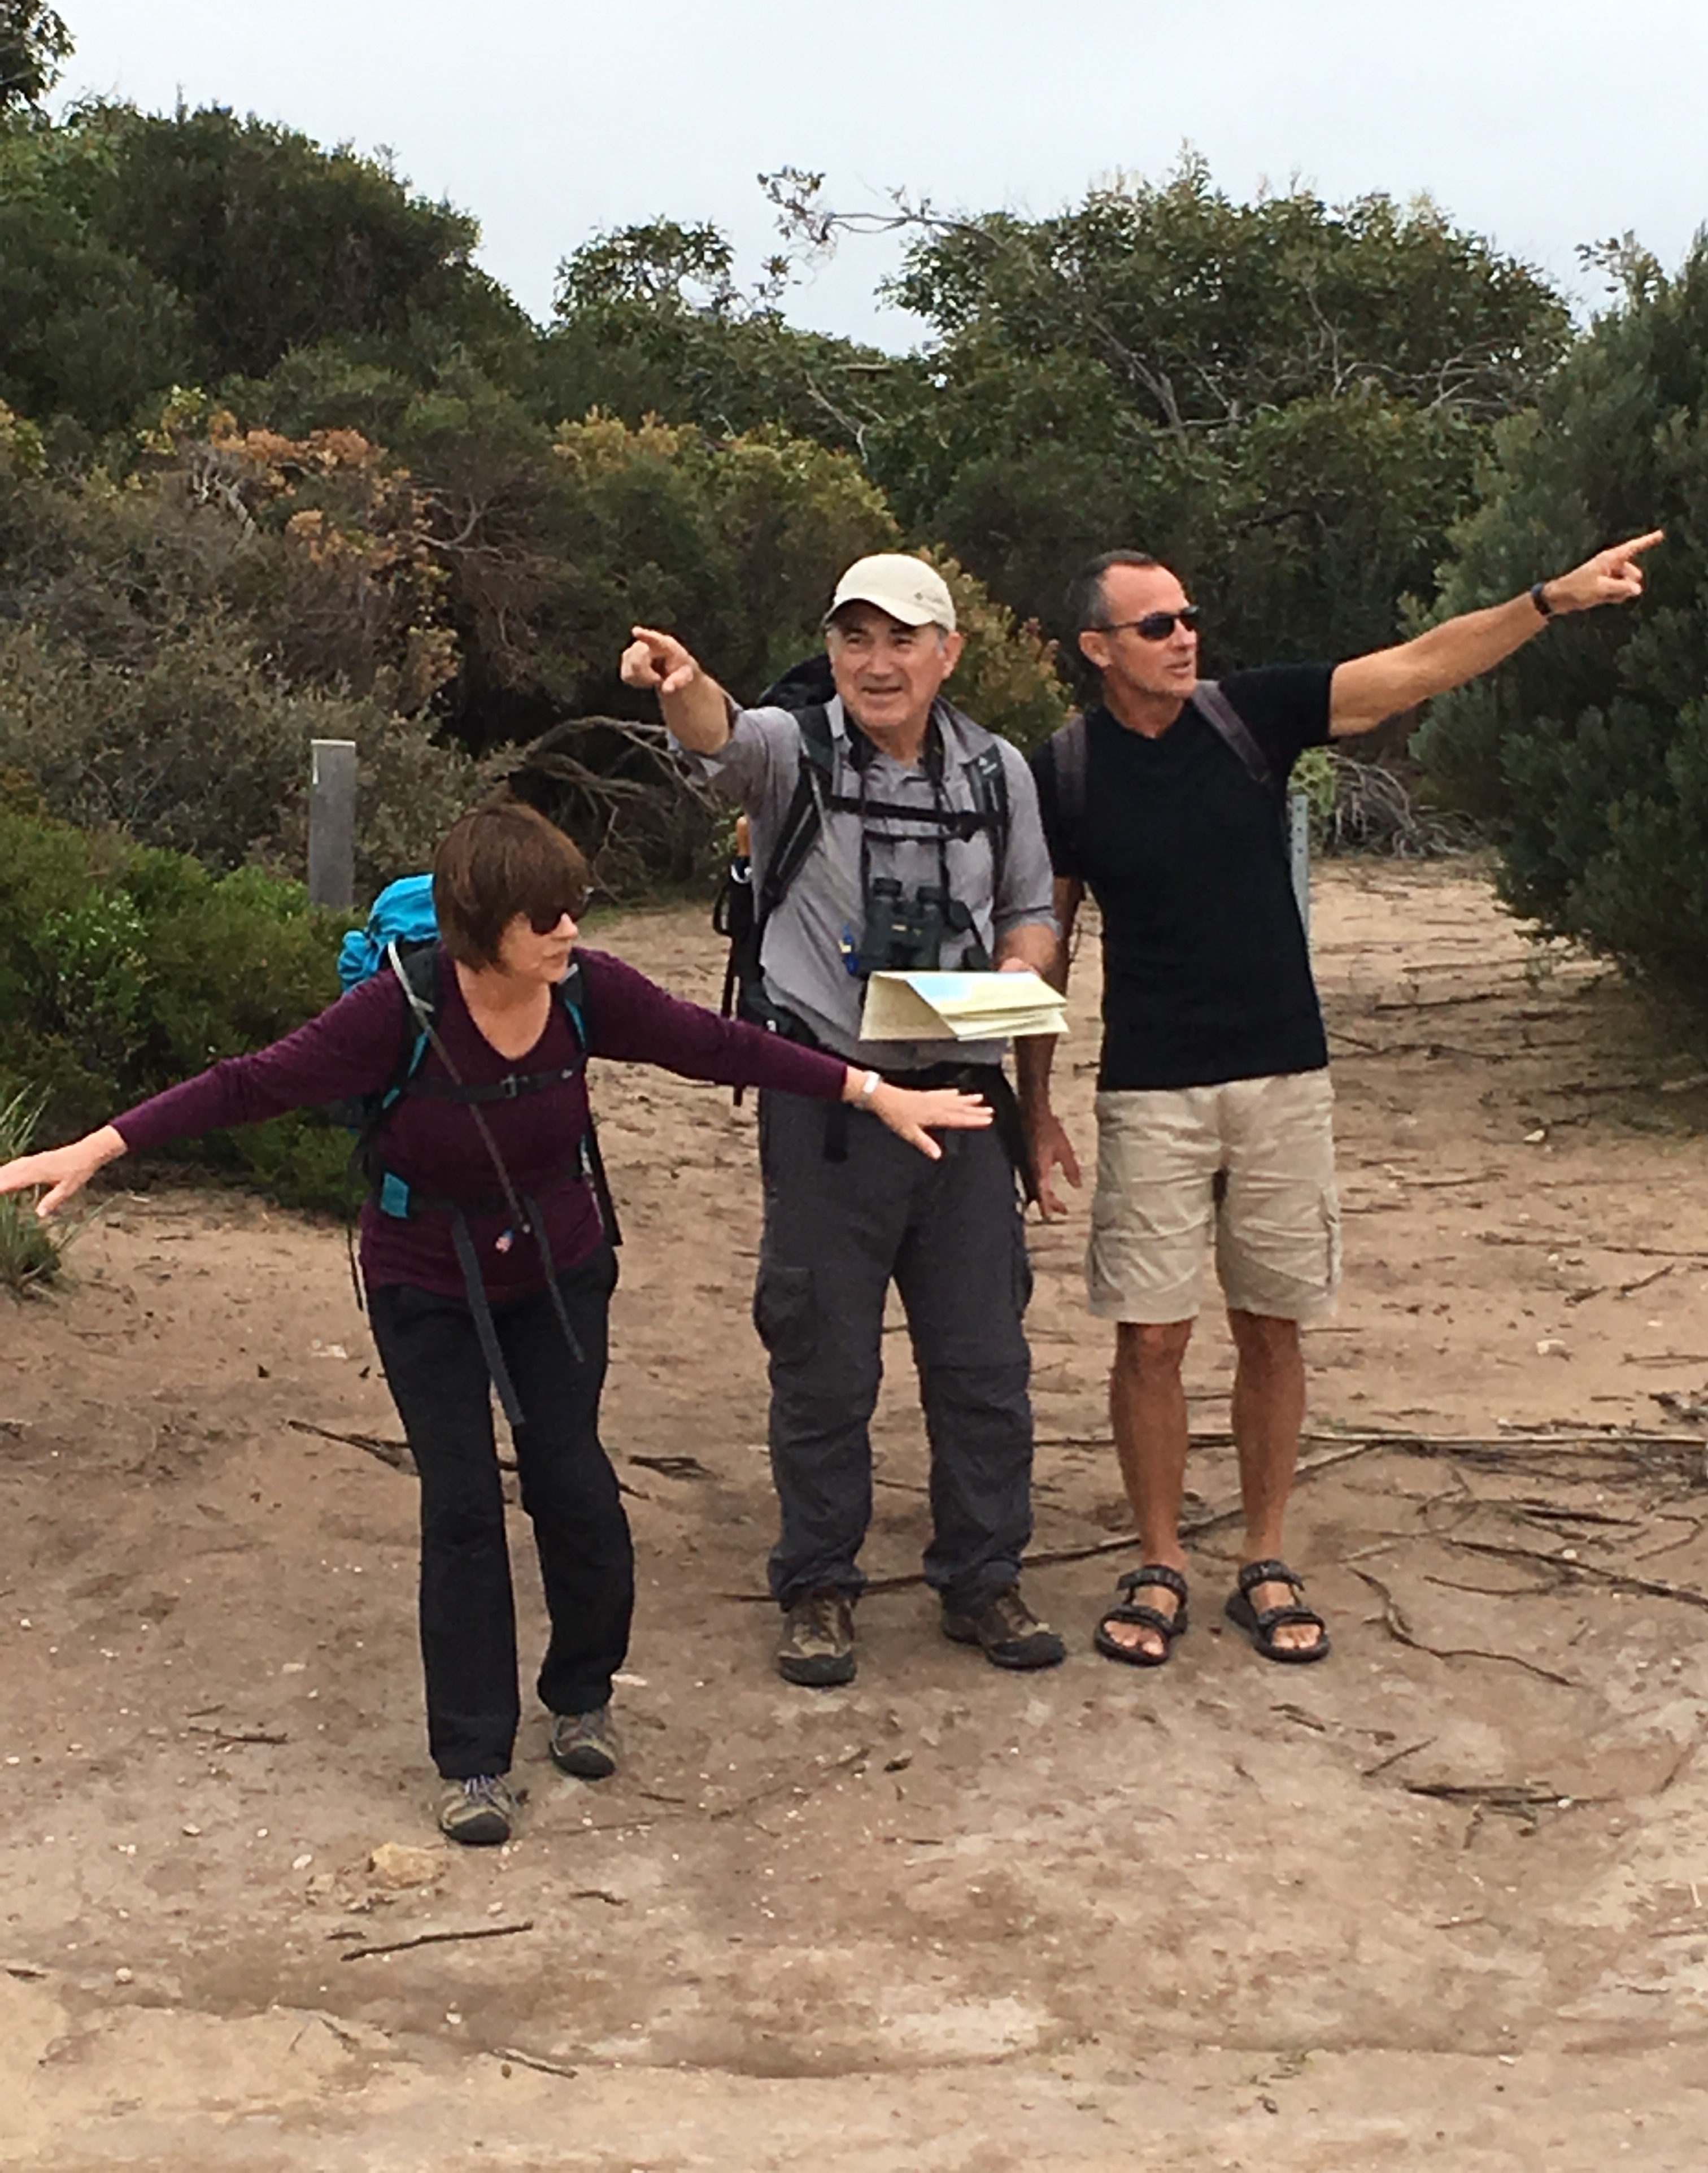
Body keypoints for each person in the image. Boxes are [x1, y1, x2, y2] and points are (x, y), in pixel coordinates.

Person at [0, 800, 991, 1842]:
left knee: (575, 1484)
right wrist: (99, 1147)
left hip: (560, 1269)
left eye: (575, 907)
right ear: (483, 926)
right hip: (423, 1280)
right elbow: (250, 1085)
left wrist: (868, 1091)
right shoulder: (396, 1011)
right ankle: (472, 1760)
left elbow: (716, 1044)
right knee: (464, 1506)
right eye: (545, 916)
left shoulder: (587, 993)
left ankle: (583, 1697)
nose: (570, 930)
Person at [1019, 533, 1662, 1668]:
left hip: (1284, 1078)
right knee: (1151, 1337)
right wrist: (1035, 1104)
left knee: (1272, 1323)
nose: (1185, 639)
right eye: (1157, 626)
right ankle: (1159, 1561)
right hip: (1150, 1091)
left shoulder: (1250, 716)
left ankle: (1263, 1555)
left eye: (1189, 617)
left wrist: (1548, 601)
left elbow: (1415, 668)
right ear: (1097, 648)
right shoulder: (1063, 770)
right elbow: (1048, 940)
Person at [620, 554, 1065, 1687]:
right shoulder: (795, 749)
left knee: (983, 1356)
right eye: (855, 638)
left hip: (964, 1100)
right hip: (828, 1098)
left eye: (902, 639)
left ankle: (984, 1576)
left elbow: (1033, 910)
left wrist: (1019, 975)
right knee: (823, 1360)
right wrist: (681, 685)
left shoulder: (999, 773)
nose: (877, 663)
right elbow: (721, 741)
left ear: (948, 653)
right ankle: (818, 1583)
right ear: (831, 649)